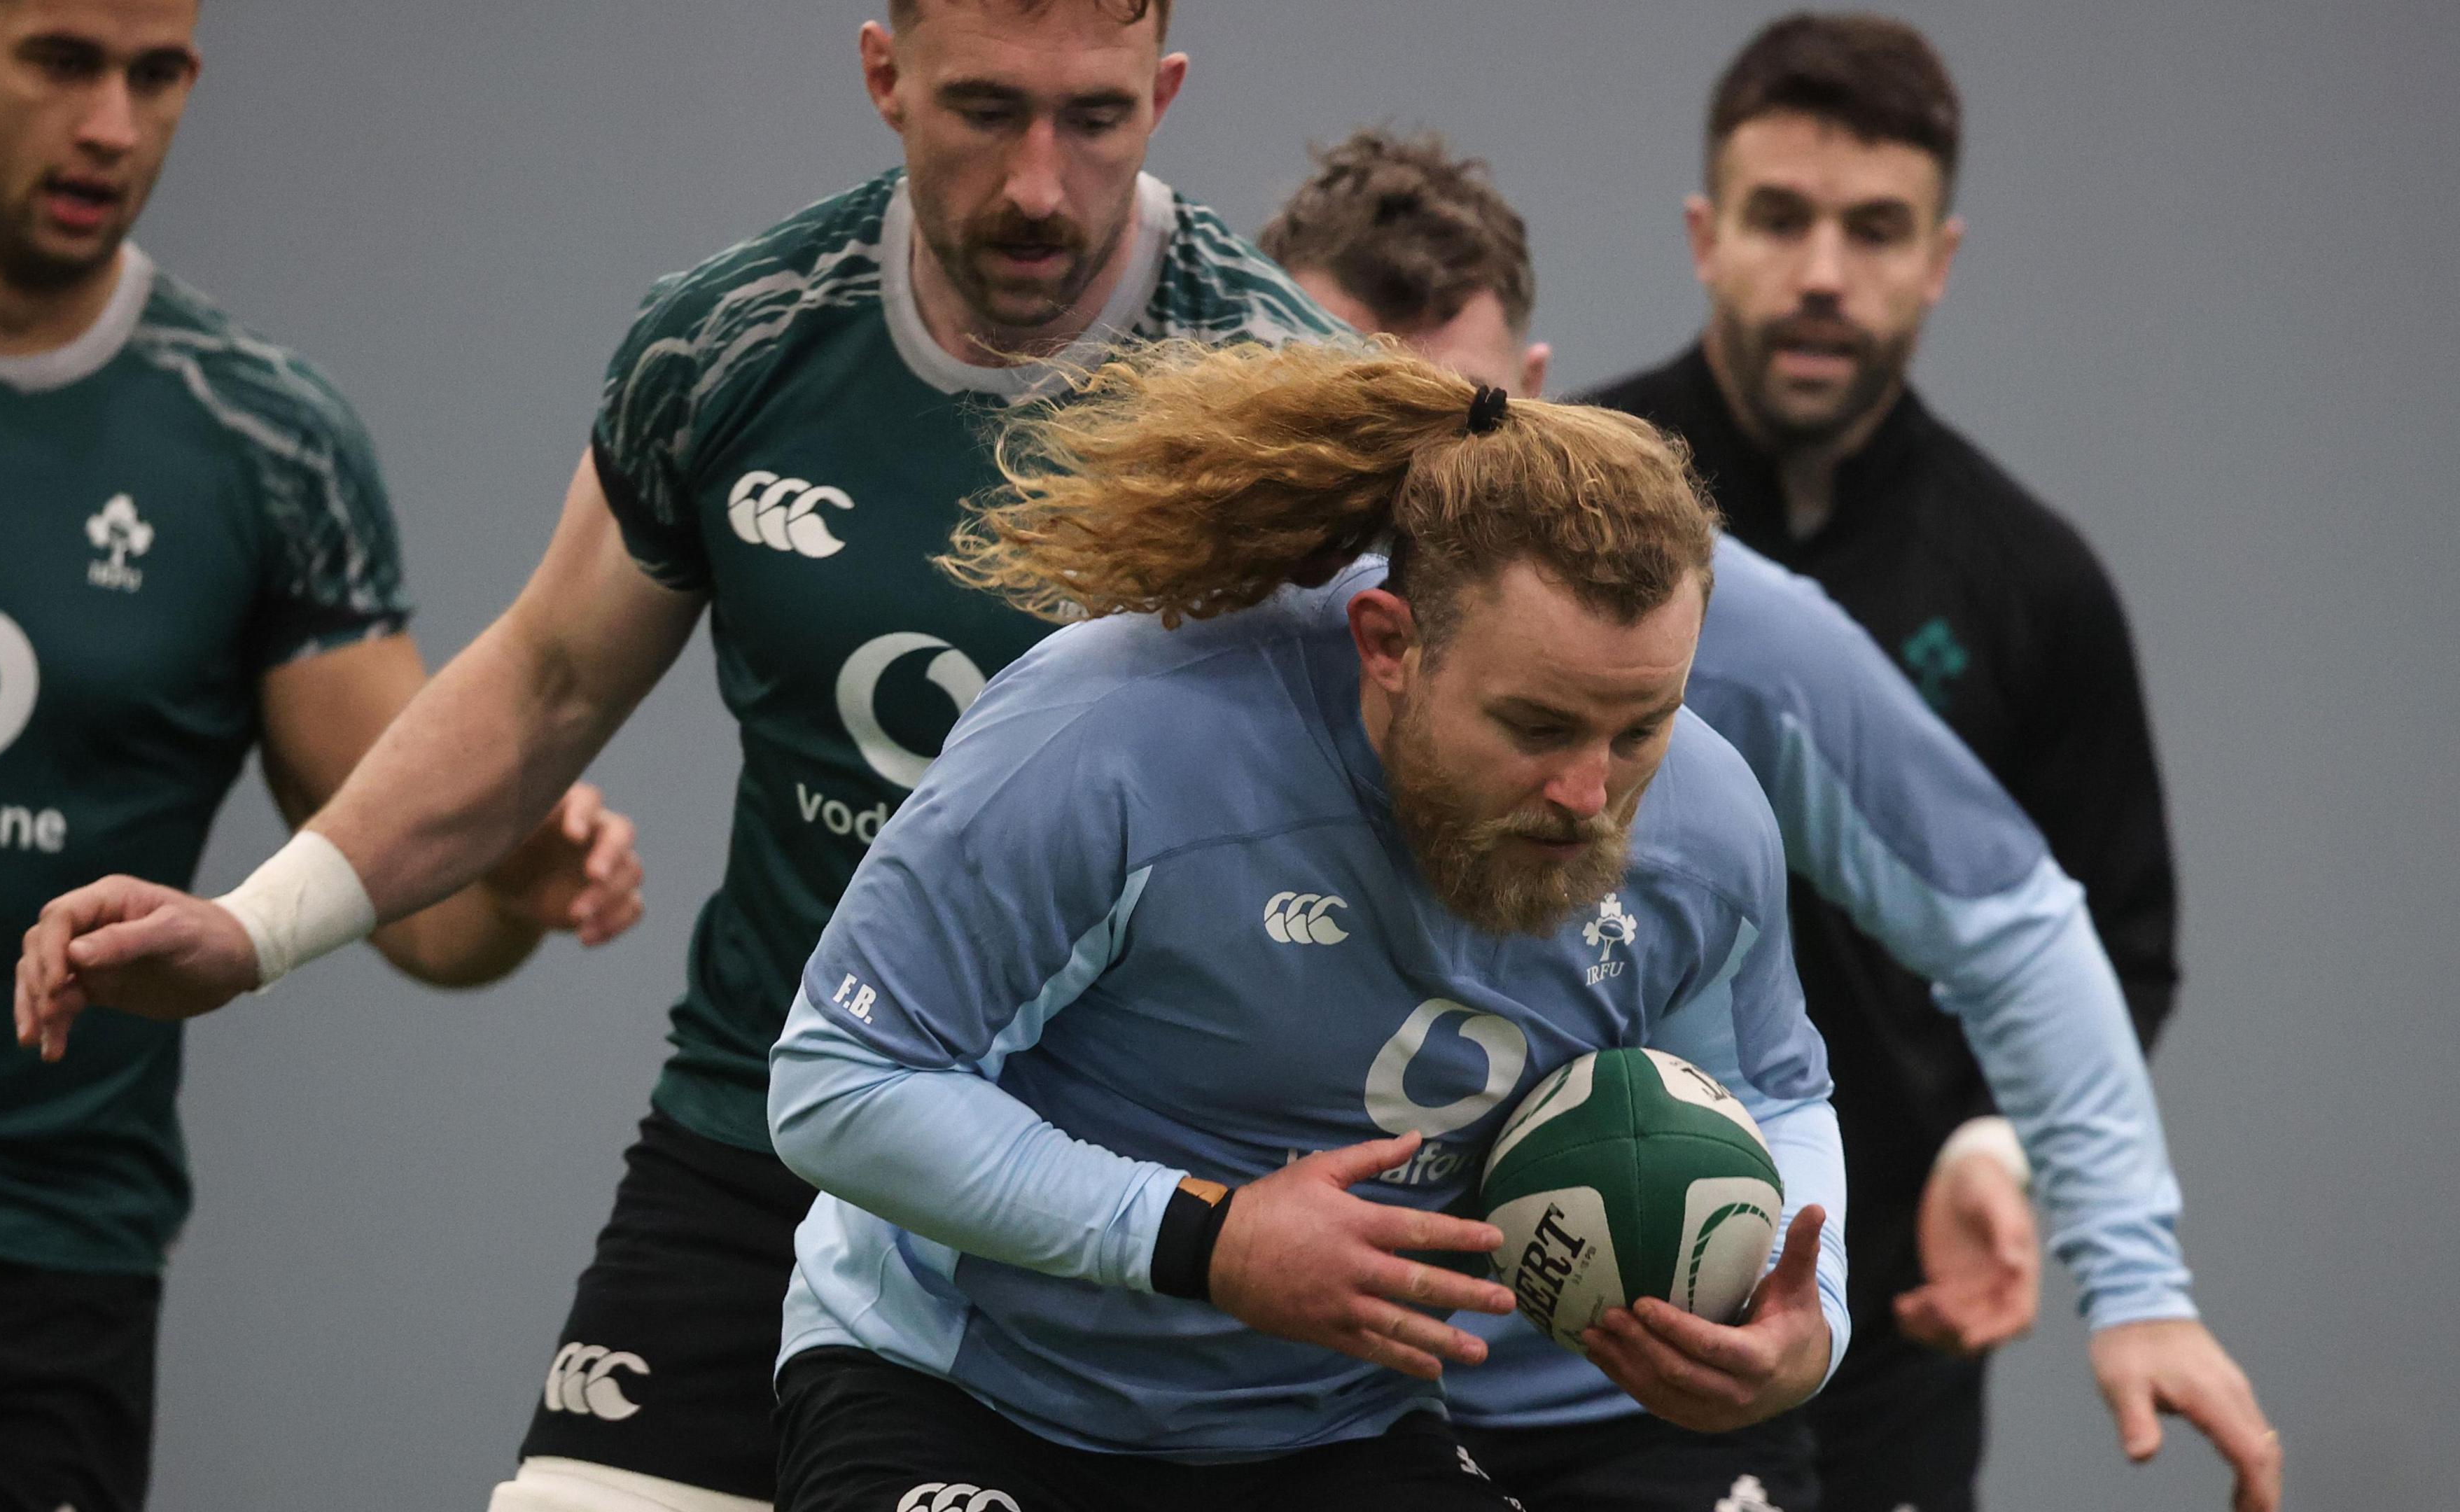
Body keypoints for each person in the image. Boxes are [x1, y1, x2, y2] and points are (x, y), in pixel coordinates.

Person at [9, 2, 1346, 1507]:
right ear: (882, 75)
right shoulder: (731, 343)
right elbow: (549, 679)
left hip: (1107, 1198)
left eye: (1093, 119)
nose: (1040, 183)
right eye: (985, 111)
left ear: (1163, 97)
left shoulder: (1278, 401)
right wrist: (251, 930)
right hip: (767, 1142)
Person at [1262, 125, 2279, 1512]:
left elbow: (2017, 926)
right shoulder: (1148, 652)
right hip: (1262, 1402)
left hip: (1624, 1388)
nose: (1398, 507)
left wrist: (2137, 1278)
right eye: (1347, 425)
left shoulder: (1690, 613)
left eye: (1447, 433)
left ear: (1531, 403)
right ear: (1249, 390)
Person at [0, 3, 644, 1511]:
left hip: (43, 1262)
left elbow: (419, 909)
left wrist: (516, 874)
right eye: (63, 60)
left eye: (156, 73)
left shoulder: (266, 443)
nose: (113, 125)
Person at [742, 337, 1847, 1510]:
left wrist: (1808, 1311)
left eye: (1641, 728)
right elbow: (841, 1083)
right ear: (1389, 646)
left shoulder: (1703, 829)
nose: (1591, 793)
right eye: (1536, 725)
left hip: (1335, 1428)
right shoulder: (1118, 735)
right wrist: (1205, 1240)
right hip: (962, 1396)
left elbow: (1771, 1093)